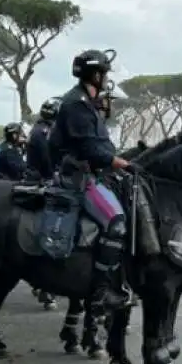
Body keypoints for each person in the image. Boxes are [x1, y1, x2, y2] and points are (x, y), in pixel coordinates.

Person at [47, 49, 134, 311]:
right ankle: (100, 291)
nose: (106, 78)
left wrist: (114, 160)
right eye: (104, 73)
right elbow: (90, 149)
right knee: (117, 222)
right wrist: (123, 163)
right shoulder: (77, 103)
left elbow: (100, 145)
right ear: (95, 74)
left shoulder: (87, 102)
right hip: (79, 178)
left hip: (89, 174)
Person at [26, 97, 61, 180]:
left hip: (37, 176)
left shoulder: (37, 128)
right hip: (43, 179)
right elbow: (46, 159)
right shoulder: (45, 132)